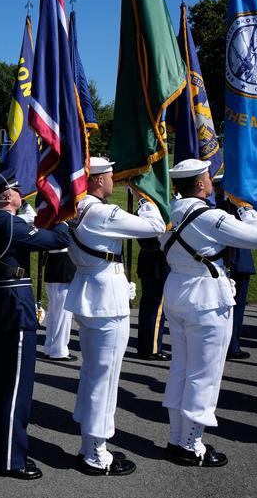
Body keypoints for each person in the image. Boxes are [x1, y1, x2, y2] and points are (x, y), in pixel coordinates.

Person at [161, 159, 257, 467]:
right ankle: (191, 444)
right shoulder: (209, 216)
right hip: (206, 299)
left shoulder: (171, 208)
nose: (212, 181)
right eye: (208, 177)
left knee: (182, 369)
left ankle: (176, 438)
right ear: (199, 184)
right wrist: (247, 207)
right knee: (204, 375)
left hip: (177, 292)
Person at [64, 157, 165, 476]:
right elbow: (156, 227)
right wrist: (146, 198)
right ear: (95, 180)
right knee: (103, 378)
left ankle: (89, 442)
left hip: (92, 291)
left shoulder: (77, 208)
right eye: (111, 176)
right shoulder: (101, 212)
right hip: (105, 299)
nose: (115, 181)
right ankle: (96, 452)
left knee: (93, 373)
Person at [0, 173, 70, 480]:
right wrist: (59, 215)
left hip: (2, 306)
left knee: (4, 385)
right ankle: (10, 460)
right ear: (6, 197)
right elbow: (57, 241)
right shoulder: (9, 224)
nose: (21, 194)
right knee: (16, 388)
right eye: (16, 190)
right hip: (15, 309)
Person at [213, 175, 257, 360]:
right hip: (224, 261)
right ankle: (230, 346)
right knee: (225, 307)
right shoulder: (214, 208)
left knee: (236, 308)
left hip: (238, 261)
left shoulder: (236, 205)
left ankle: (232, 344)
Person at [135, 237, 170, 360]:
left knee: (148, 306)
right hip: (157, 259)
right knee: (156, 307)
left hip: (148, 256)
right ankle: (152, 349)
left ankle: (145, 347)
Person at [41, 247, 77, 361]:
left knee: (53, 313)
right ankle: (59, 350)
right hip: (63, 265)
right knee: (62, 314)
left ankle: (50, 348)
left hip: (54, 263)